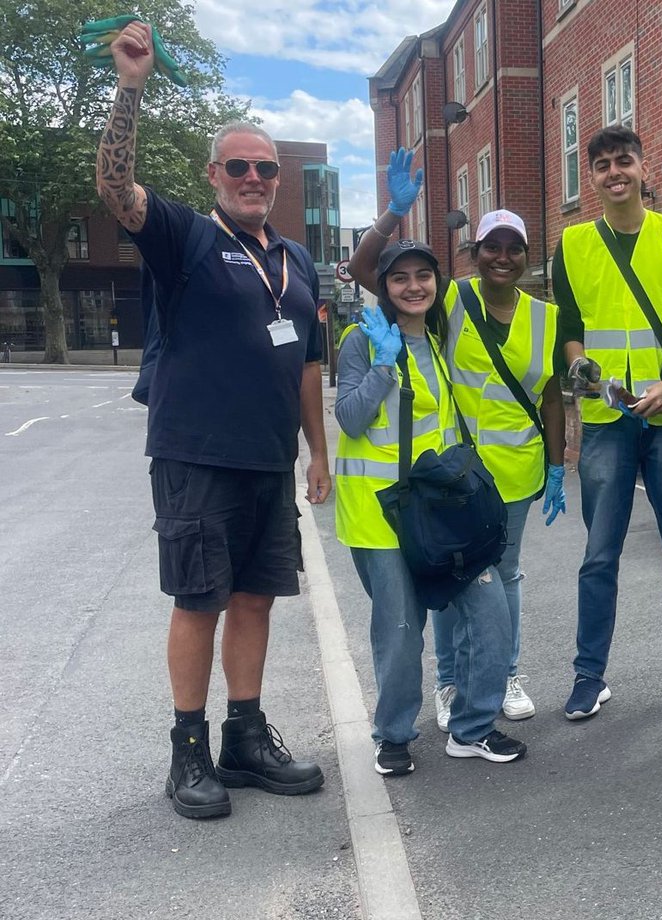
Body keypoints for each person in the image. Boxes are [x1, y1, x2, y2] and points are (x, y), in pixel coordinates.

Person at [96, 21, 329, 819]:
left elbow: (306, 363)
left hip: (269, 460)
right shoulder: (186, 236)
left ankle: (246, 737)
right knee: (200, 598)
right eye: (240, 166)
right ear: (215, 174)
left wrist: (316, 456)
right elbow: (114, 192)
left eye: (266, 167)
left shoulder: (296, 260)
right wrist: (131, 88)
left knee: (258, 598)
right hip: (195, 455)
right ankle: (187, 751)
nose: (256, 176)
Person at [347, 150, 567, 731]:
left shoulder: (546, 316)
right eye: (490, 246)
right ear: (473, 255)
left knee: (502, 578)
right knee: (448, 572)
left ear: (525, 255)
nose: (501, 256)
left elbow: (549, 392)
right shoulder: (452, 301)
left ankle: (502, 674)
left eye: (512, 247)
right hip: (452, 474)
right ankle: (449, 684)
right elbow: (371, 271)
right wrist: (393, 214)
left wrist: (556, 464)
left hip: (514, 472)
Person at [335, 240, 527, 772]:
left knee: (490, 614)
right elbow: (350, 419)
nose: (414, 286)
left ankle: (471, 728)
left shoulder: (438, 342)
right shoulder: (361, 339)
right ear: (385, 287)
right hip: (379, 514)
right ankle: (393, 736)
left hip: (438, 514)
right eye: (401, 278)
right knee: (400, 631)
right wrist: (383, 366)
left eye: (424, 275)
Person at [554, 126, 662, 720]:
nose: (613, 172)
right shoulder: (572, 243)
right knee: (599, 556)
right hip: (605, 416)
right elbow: (568, 327)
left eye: (624, 161)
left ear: (646, 170)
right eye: (601, 165)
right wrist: (579, 367)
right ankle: (588, 676)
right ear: (591, 177)